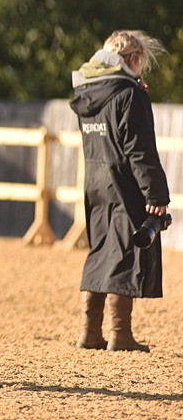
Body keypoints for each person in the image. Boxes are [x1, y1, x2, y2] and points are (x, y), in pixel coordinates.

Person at [70, 30, 171, 352]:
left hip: (96, 181)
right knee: (127, 253)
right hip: (126, 183)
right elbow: (139, 150)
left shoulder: (89, 92)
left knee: (101, 251)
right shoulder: (128, 93)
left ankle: (89, 333)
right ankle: (120, 333)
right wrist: (156, 196)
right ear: (134, 59)